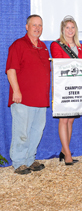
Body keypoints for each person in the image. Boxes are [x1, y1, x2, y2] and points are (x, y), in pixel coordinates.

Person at [6, 14, 50, 174]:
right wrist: (16, 91)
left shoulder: (43, 47)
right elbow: (11, 70)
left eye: (40, 25)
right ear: (27, 27)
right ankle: (18, 162)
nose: (37, 28)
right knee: (21, 131)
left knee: (37, 131)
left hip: (40, 98)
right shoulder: (18, 45)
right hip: (23, 98)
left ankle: (30, 159)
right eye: (34, 25)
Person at [50, 15, 82, 165]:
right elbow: (60, 63)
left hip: (76, 85)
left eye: (72, 27)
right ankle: (68, 154)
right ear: (62, 30)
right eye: (67, 28)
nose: (70, 30)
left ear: (76, 30)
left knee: (70, 119)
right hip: (63, 84)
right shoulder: (56, 45)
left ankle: (65, 151)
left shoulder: (80, 46)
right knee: (63, 119)